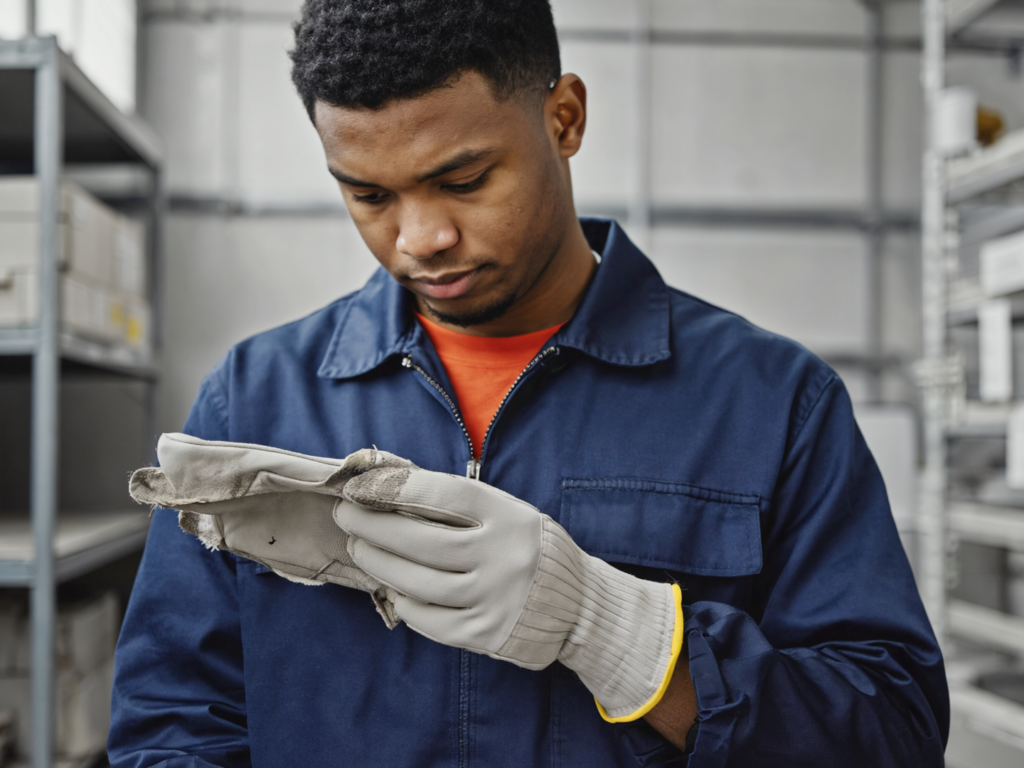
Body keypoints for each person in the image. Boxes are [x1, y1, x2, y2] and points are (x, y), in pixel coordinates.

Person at [108, 1, 948, 765]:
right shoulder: (256, 399)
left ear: (565, 118)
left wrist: (628, 638)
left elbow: (894, 737)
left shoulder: (772, 402)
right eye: (368, 194)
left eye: (464, 180)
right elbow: (171, 724)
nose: (421, 238)